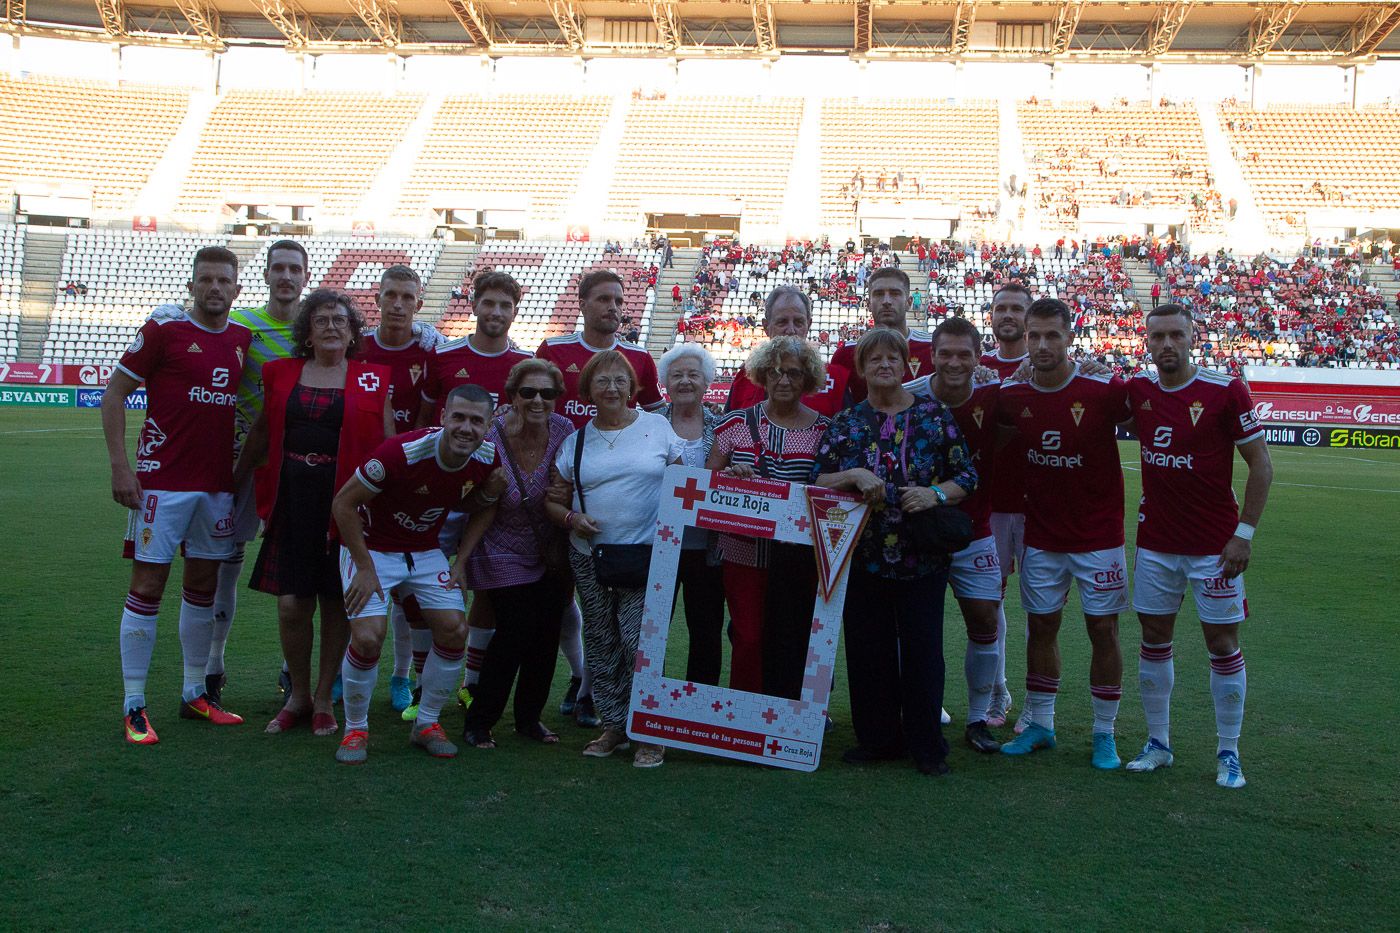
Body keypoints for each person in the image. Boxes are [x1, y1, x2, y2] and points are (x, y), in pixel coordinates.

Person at [102, 246, 253, 744]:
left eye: (223, 280)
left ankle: (194, 694)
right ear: (191, 286)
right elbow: (114, 394)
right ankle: (134, 704)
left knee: (203, 589)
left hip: (215, 488)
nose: (214, 287)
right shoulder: (163, 331)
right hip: (159, 486)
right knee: (147, 587)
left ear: (235, 288)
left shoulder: (240, 339)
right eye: (205, 279)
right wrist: (121, 466)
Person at [814, 328, 976, 776]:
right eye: (874, 360)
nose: (884, 366)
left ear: (906, 366)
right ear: (862, 369)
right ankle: (878, 739)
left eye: (892, 358)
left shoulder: (932, 414)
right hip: (862, 554)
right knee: (869, 650)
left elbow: (966, 476)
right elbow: (817, 478)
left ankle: (927, 744)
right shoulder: (846, 422)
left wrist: (933, 495)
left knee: (924, 650)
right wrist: (852, 476)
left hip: (921, 556)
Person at [1125, 305, 1272, 788]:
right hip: (1156, 544)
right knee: (1154, 638)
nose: (1166, 344)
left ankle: (1228, 752)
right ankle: (1158, 743)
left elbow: (1261, 465)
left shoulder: (1225, 389)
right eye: (1157, 336)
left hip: (1215, 547)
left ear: (1193, 338)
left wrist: (1243, 535)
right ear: (1146, 341)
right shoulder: (1139, 391)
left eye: (1176, 335)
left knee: (1222, 642)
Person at [234, 289, 393, 736]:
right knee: (290, 605)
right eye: (320, 320)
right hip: (292, 498)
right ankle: (297, 696)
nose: (329, 327)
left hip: (345, 503)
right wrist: (237, 478)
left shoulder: (371, 378)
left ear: (352, 332)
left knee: (336, 604)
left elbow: (388, 443)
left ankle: (324, 697)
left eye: (339, 321)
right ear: (306, 331)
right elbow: (264, 432)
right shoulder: (280, 373)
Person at [332, 385, 504, 764]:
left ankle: (426, 723)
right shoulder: (401, 453)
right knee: (367, 637)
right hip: (372, 547)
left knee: (454, 630)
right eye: (458, 417)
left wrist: (459, 562)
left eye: (477, 421)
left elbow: (486, 507)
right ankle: (355, 729)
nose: (466, 428)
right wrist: (363, 567)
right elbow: (343, 504)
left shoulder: (489, 459)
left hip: (425, 549)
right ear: (443, 416)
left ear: (489, 425)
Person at [997, 298, 1132, 769]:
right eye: (1034, 336)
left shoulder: (1102, 388)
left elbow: (1146, 419)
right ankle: (1041, 724)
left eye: (1052, 335)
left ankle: (1104, 733)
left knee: (1103, 629)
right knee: (1041, 626)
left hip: (1099, 538)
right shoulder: (1012, 395)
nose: (1041, 344)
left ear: (1071, 337)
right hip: (1044, 537)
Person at [416, 272, 546, 718]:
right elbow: (422, 423)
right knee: (422, 588)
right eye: (488, 303)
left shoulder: (526, 366)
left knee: (487, 593)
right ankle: (417, 684)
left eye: (504, 306)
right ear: (473, 305)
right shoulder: (444, 356)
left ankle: (470, 685)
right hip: (442, 495)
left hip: (493, 500)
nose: (495, 313)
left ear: (515, 310)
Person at [549, 351, 684, 768]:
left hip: (646, 555)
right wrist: (572, 518)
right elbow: (554, 501)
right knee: (602, 641)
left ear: (633, 387)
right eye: (602, 381)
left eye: (620, 381)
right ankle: (614, 725)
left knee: (638, 641)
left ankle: (649, 729)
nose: (611, 388)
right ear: (587, 390)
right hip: (590, 556)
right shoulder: (575, 440)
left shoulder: (658, 427)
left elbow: (683, 485)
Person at [460, 360, 575, 748]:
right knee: (513, 632)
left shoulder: (565, 431)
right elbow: (467, 498)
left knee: (546, 636)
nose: (538, 400)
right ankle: (480, 720)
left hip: (552, 549)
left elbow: (572, 483)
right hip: (500, 547)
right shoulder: (489, 436)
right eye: (528, 392)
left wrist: (565, 497)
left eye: (548, 393)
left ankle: (529, 719)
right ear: (512, 397)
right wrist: (490, 490)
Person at [708, 336, 832, 696]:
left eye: (793, 373)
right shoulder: (734, 424)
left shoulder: (825, 430)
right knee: (747, 636)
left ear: (807, 379)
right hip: (743, 552)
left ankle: (786, 719)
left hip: (799, 558)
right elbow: (706, 482)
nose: (783, 380)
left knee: (793, 638)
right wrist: (730, 479)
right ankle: (743, 720)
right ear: (763, 375)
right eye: (776, 372)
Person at [906, 316, 1005, 753]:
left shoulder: (995, 395)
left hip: (975, 531)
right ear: (931, 355)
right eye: (945, 353)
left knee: (984, 620)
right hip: (915, 531)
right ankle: (915, 709)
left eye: (964, 354)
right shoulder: (908, 399)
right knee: (913, 627)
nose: (954, 361)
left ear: (979, 358)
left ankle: (979, 718)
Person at [219, 239, 310, 705]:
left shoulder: (316, 332)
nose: (286, 276)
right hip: (244, 462)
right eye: (279, 268)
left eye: (295, 269)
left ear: (306, 277)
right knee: (225, 564)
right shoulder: (242, 326)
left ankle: (290, 669)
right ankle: (214, 666)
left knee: (297, 573)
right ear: (267, 274)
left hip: (295, 471)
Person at [357, 265, 442, 713]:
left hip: (411, 479)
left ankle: (400, 677)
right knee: (353, 581)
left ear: (419, 304)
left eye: (407, 297)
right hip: (361, 477)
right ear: (378, 298)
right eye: (390, 295)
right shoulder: (359, 348)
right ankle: (335, 674)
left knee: (408, 587)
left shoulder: (431, 352)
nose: (398, 304)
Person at [979, 281, 1033, 728]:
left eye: (1017, 308)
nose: (1009, 315)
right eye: (1002, 308)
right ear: (991, 316)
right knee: (990, 604)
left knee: (1040, 608)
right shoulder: (977, 368)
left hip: (1039, 504)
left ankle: (1036, 699)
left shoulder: (1049, 366)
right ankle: (998, 691)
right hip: (991, 505)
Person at [657, 343, 725, 686]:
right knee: (651, 628)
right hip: (658, 545)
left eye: (693, 374)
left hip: (707, 549)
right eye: (677, 374)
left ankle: (699, 703)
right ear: (665, 382)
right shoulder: (649, 425)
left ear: (706, 381)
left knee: (707, 630)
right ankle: (647, 701)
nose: (685, 381)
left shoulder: (723, 425)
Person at [536, 269, 663, 431]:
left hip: (617, 453)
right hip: (564, 453)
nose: (613, 307)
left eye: (618, 302)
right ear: (582, 305)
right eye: (604, 299)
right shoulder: (552, 350)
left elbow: (659, 414)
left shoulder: (640, 357)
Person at [724, 286, 851, 417]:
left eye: (798, 322)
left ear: (808, 325)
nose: (791, 330)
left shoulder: (835, 380)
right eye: (782, 322)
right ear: (766, 326)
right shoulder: (745, 379)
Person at [830, 267, 934, 401]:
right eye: (879, 294)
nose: (886, 301)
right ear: (868, 304)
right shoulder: (846, 354)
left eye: (895, 293)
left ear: (909, 303)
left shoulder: (932, 348)